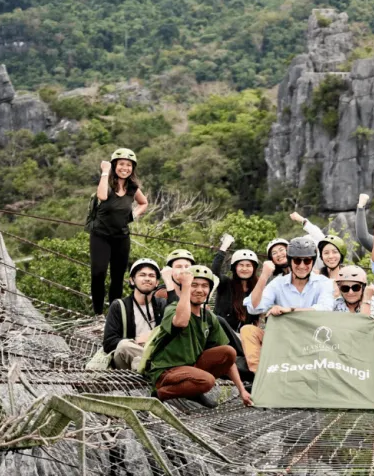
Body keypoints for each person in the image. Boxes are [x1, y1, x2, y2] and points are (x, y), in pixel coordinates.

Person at [148, 264, 253, 408]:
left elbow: (228, 361)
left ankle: (194, 391)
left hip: (191, 368)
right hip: (166, 371)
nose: (199, 290)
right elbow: (181, 322)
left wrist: (241, 390)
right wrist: (185, 286)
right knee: (207, 381)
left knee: (229, 352)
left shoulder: (208, 317)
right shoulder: (172, 309)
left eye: (204, 286)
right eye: (194, 285)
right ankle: (159, 394)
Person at [241, 237, 335, 372]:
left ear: (313, 261)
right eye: (297, 260)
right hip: (282, 337)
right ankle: (259, 376)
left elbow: (325, 308)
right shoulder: (278, 283)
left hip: (312, 338)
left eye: (307, 260)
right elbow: (253, 307)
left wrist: (290, 310)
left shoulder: (323, 282)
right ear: (290, 261)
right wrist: (264, 276)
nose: (302, 266)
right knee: (248, 331)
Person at [89, 148, 148, 316]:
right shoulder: (107, 183)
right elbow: (102, 196)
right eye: (121, 164)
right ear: (115, 165)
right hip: (100, 236)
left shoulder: (132, 188)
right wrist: (105, 172)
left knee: (117, 275)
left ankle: (113, 314)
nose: (125, 168)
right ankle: (98, 313)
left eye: (129, 165)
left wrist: (133, 215)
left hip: (121, 237)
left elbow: (143, 203)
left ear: (132, 168)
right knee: (98, 272)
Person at [103, 258, 166, 371]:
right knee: (124, 346)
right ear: (132, 280)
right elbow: (109, 343)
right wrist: (136, 340)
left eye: (152, 276)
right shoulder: (119, 306)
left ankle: (144, 367)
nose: (147, 278)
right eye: (142, 275)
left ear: (157, 283)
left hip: (155, 351)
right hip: (126, 359)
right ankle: (150, 366)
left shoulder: (163, 305)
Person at [210, 234, 260, 333]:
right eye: (241, 265)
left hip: (244, 337)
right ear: (235, 268)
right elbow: (214, 272)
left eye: (248, 265)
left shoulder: (256, 290)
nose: (244, 269)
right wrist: (223, 248)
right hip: (221, 334)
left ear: (253, 269)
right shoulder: (226, 284)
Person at [288, 211, 347, 280]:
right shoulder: (300, 260)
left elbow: (317, 233)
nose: (331, 256)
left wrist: (302, 220)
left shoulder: (323, 253)